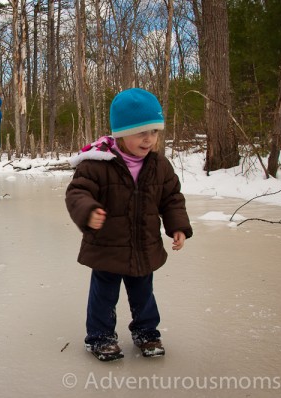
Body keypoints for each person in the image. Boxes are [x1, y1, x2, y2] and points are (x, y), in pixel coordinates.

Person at [65, 88, 193, 362]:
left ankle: (146, 332)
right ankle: (100, 337)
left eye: (154, 132)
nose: (149, 139)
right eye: (141, 132)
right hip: (106, 245)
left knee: (144, 293)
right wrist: (88, 211)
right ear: (121, 132)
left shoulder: (159, 166)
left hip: (143, 245)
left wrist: (178, 226)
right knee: (104, 295)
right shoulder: (97, 164)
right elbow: (77, 193)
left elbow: (171, 198)